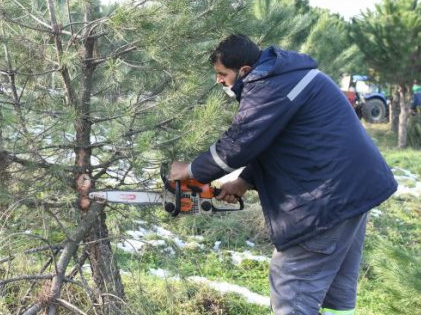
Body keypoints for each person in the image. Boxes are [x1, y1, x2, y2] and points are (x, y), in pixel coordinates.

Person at [168, 34, 397, 315]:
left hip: (327, 199)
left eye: (222, 74)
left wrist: (189, 170)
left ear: (244, 71)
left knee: (292, 288)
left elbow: (237, 146)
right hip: (355, 188)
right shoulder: (286, 76)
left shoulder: (268, 87)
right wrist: (245, 180)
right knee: (335, 293)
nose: (218, 80)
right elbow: (278, 139)